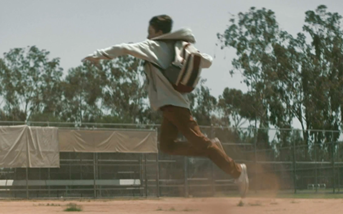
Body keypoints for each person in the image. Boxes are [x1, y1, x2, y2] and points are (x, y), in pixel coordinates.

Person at [83, 14, 249, 198]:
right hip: (172, 106)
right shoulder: (180, 46)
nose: (147, 36)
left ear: (159, 32)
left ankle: (237, 171)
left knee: (199, 142)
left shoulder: (153, 46)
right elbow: (207, 61)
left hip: (174, 106)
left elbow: (124, 48)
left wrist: (98, 55)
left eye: (150, 32)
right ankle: (213, 148)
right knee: (167, 145)